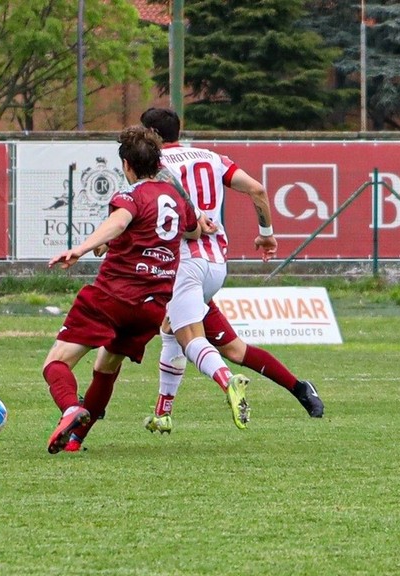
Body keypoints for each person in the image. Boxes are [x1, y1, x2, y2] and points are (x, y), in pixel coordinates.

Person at [43, 126, 246, 454]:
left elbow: (120, 221)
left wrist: (81, 248)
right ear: (157, 162)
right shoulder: (178, 199)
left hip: (112, 297)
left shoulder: (131, 196)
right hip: (150, 309)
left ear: (127, 165)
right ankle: (76, 440)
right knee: (105, 368)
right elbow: (191, 232)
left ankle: (70, 409)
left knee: (56, 362)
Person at [139, 107, 324, 435]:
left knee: (189, 338)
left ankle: (227, 381)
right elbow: (258, 189)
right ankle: (299, 388)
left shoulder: (156, 166)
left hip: (185, 264)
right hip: (216, 265)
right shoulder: (212, 157)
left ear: (151, 134)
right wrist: (266, 234)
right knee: (227, 346)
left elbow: (156, 213)